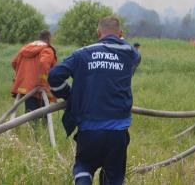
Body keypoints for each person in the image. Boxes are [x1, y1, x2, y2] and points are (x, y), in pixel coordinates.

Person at [48, 16, 140, 185]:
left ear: (98, 32)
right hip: (118, 131)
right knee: (113, 177)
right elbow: (135, 57)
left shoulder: (83, 53)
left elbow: (54, 76)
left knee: (84, 165)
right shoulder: (130, 54)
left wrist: (69, 95)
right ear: (120, 34)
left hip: (90, 129)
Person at [11, 30, 57, 115]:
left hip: (25, 88)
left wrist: (23, 76)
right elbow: (44, 64)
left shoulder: (24, 49)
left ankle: (30, 128)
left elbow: (14, 62)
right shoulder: (47, 50)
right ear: (48, 38)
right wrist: (42, 83)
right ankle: (41, 128)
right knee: (43, 117)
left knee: (29, 114)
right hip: (39, 88)